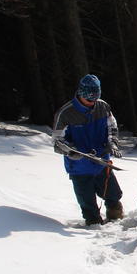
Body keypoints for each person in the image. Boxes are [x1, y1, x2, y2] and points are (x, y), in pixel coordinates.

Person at [52, 74, 124, 226]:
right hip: (79, 167)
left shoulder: (103, 107)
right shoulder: (65, 113)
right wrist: (71, 151)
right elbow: (57, 141)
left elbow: (112, 127)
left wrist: (112, 143)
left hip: (101, 162)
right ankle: (93, 225)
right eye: (89, 99)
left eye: (95, 99)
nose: (92, 102)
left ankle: (116, 217)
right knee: (87, 202)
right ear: (81, 93)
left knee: (113, 194)